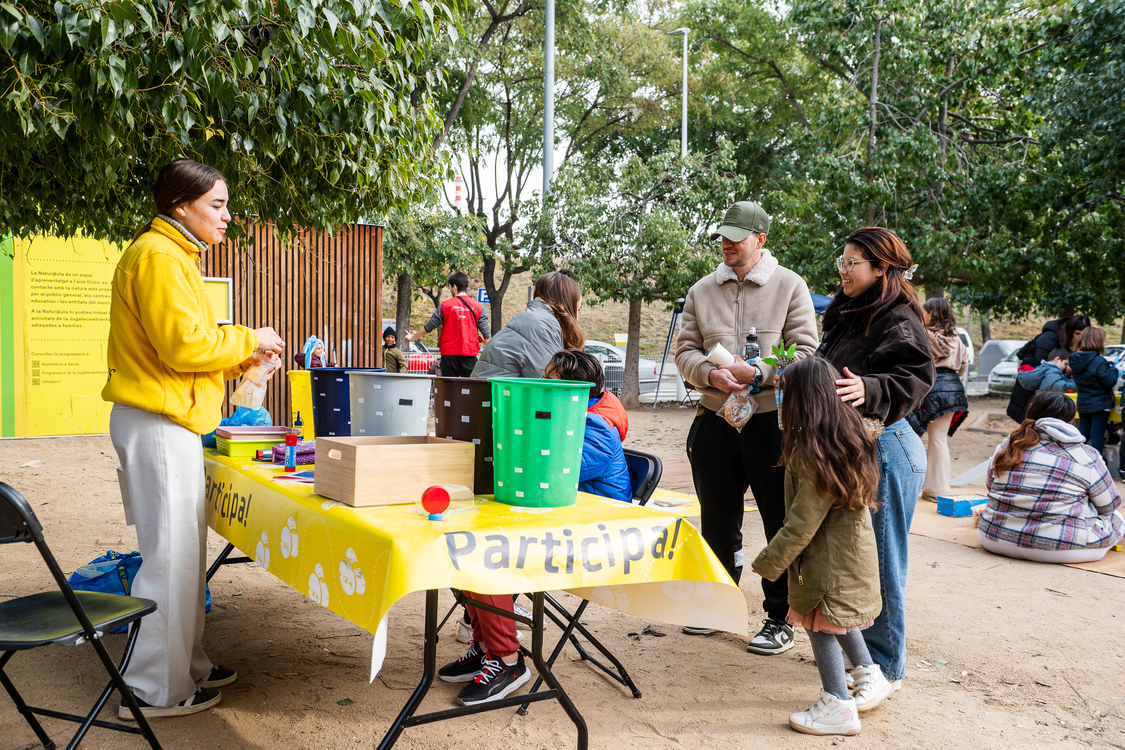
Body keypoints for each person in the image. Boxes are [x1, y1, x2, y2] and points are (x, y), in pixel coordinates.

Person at [102, 158, 286, 718]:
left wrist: (241, 359)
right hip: (159, 423)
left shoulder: (171, 253)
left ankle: (189, 666)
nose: (227, 216)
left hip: (169, 418)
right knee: (171, 560)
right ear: (182, 206)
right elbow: (184, 345)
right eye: (218, 205)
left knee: (183, 555)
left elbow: (185, 352)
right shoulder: (159, 256)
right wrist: (247, 336)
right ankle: (157, 688)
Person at [674, 200, 819, 652]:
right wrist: (708, 374)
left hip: (771, 423)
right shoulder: (701, 290)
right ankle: (720, 603)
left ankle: (779, 617)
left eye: (737, 237)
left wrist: (759, 371)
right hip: (716, 419)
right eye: (723, 236)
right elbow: (685, 351)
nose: (727, 244)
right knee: (716, 521)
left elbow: (805, 354)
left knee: (779, 522)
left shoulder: (791, 286)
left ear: (760, 239)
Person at [817, 226, 934, 693]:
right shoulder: (850, 313)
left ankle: (885, 669)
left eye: (853, 263)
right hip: (857, 447)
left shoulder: (898, 317)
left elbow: (916, 377)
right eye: (841, 262)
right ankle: (866, 658)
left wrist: (871, 388)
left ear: (881, 267)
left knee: (882, 562)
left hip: (886, 447)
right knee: (859, 561)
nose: (843, 270)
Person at [751, 357, 888, 736]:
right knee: (837, 619)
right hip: (848, 559)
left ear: (802, 401)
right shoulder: (850, 436)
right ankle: (869, 675)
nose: (780, 401)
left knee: (820, 626)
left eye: (784, 394)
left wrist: (768, 562)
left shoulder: (813, 455)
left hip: (825, 565)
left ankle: (837, 706)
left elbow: (800, 525)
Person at [981, 391, 1124, 563]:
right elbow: (1109, 506)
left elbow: (991, 486)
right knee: (1117, 518)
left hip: (993, 537)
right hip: (1060, 548)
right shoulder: (1086, 455)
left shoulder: (1008, 445)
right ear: (1070, 419)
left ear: (1031, 412)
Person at [544, 349, 632, 502]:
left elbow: (560, 472)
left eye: (550, 380)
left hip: (604, 512)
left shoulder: (598, 429)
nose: (542, 385)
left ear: (575, 388)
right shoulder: (570, 416)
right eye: (543, 378)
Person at [907, 298, 969, 502]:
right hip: (952, 390)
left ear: (932, 314)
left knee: (910, 435)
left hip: (928, 387)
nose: (921, 314)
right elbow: (963, 366)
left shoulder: (923, 334)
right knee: (939, 440)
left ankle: (910, 485)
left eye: (924, 311)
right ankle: (938, 490)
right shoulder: (957, 337)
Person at [472, 271, 585, 379]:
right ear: (567, 304)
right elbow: (550, 382)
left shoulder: (533, 318)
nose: (577, 318)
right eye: (577, 310)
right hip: (493, 396)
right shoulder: (542, 325)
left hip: (487, 393)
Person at [405, 271, 490, 377]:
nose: (450, 290)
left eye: (450, 287)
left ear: (454, 286)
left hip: (449, 356)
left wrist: (413, 337)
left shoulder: (445, 306)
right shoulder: (479, 307)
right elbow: (487, 335)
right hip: (469, 355)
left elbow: (428, 327)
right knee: (469, 389)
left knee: (449, 389)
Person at [1009, 315, 1089, 421]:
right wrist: (1066, 370)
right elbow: (1042, 365)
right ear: (1069, 331)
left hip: (1038, 390)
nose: (1079, 338)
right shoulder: (1049, 338)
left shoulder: (1064, 339)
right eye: (1077, 334)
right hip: (1031, 392)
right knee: (1032, 423)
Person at [1069, 327, 1118, 452]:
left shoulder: (1075, 359)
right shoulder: (1099, 361)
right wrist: (1113, 369)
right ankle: (1096, 464)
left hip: (1083, 402)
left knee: (1083, 435)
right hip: (1100, 404)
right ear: (1096, 341)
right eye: (1103, 340)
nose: (1104, 343)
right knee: (1097, 435)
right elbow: (1109, 382)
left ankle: (1080, 460)